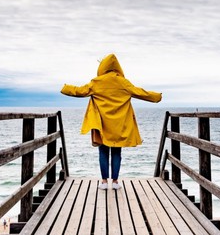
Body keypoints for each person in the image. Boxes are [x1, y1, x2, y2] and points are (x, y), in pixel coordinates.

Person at [61, 54, 162, 190]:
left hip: (102, 125)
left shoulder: (97, 82)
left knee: (103, 152)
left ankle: (103, 182)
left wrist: (65, 88)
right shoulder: (123, 82)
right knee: (116, 153)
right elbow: (141, 93)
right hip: (119, 126)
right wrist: (157, 97)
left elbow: (79, 91)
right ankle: (115, 182)